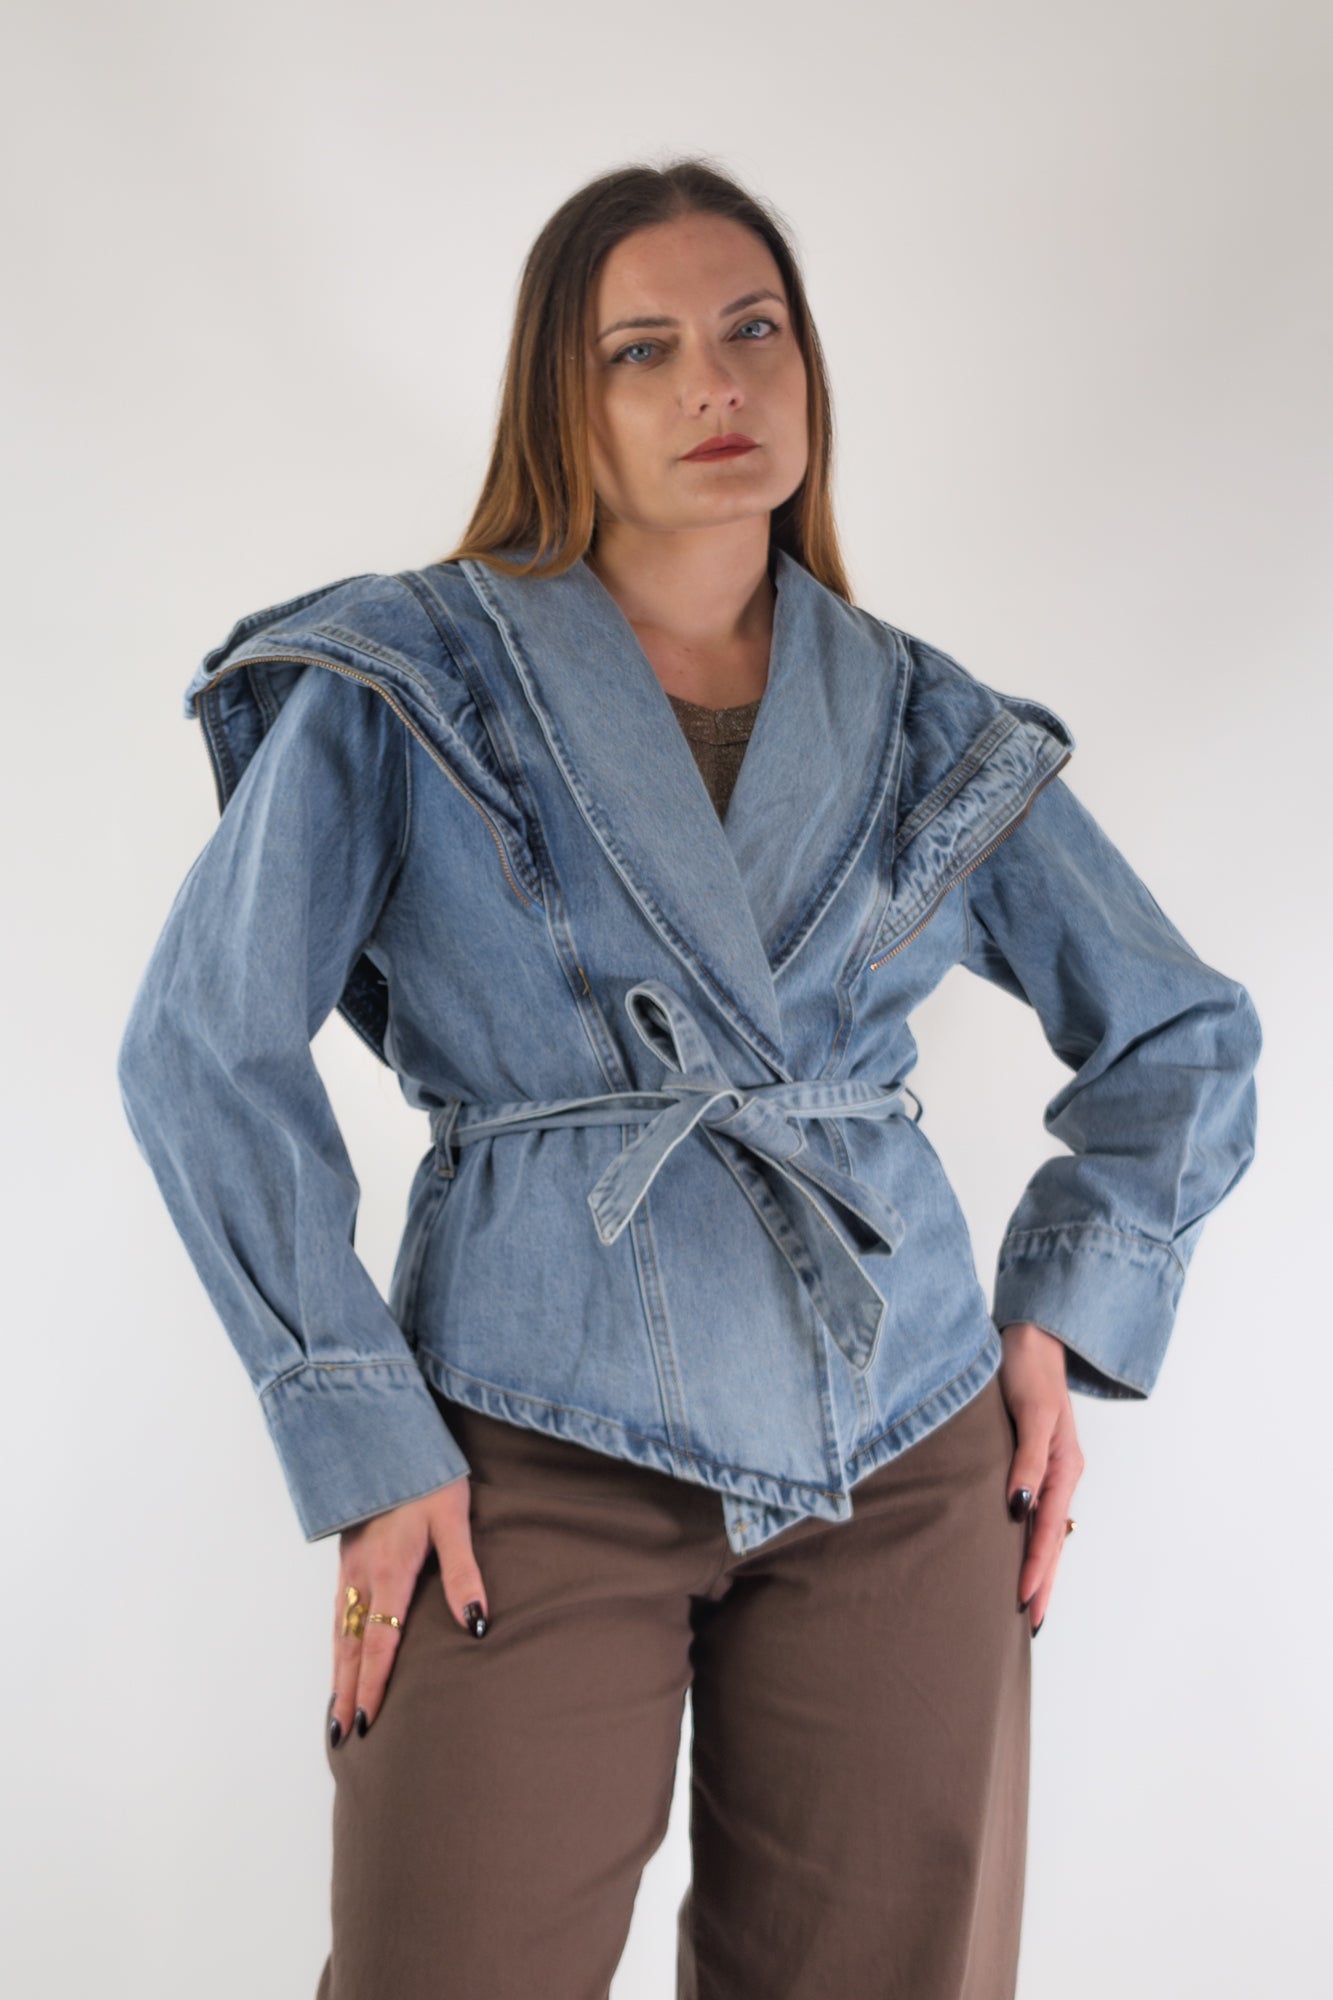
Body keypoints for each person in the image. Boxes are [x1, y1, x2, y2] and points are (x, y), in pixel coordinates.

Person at [115, 158, 1262, 1999]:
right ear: (558, 404)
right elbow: (201, 1047)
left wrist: (1062, 1315)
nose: (715, 384)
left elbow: (1177, 1033)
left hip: (902, 1439)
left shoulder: (921, 716)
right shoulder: (403, 676)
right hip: (512, 1440)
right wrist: (360, 1431)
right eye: (640, 350)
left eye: (754, 330)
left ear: (809, 371)